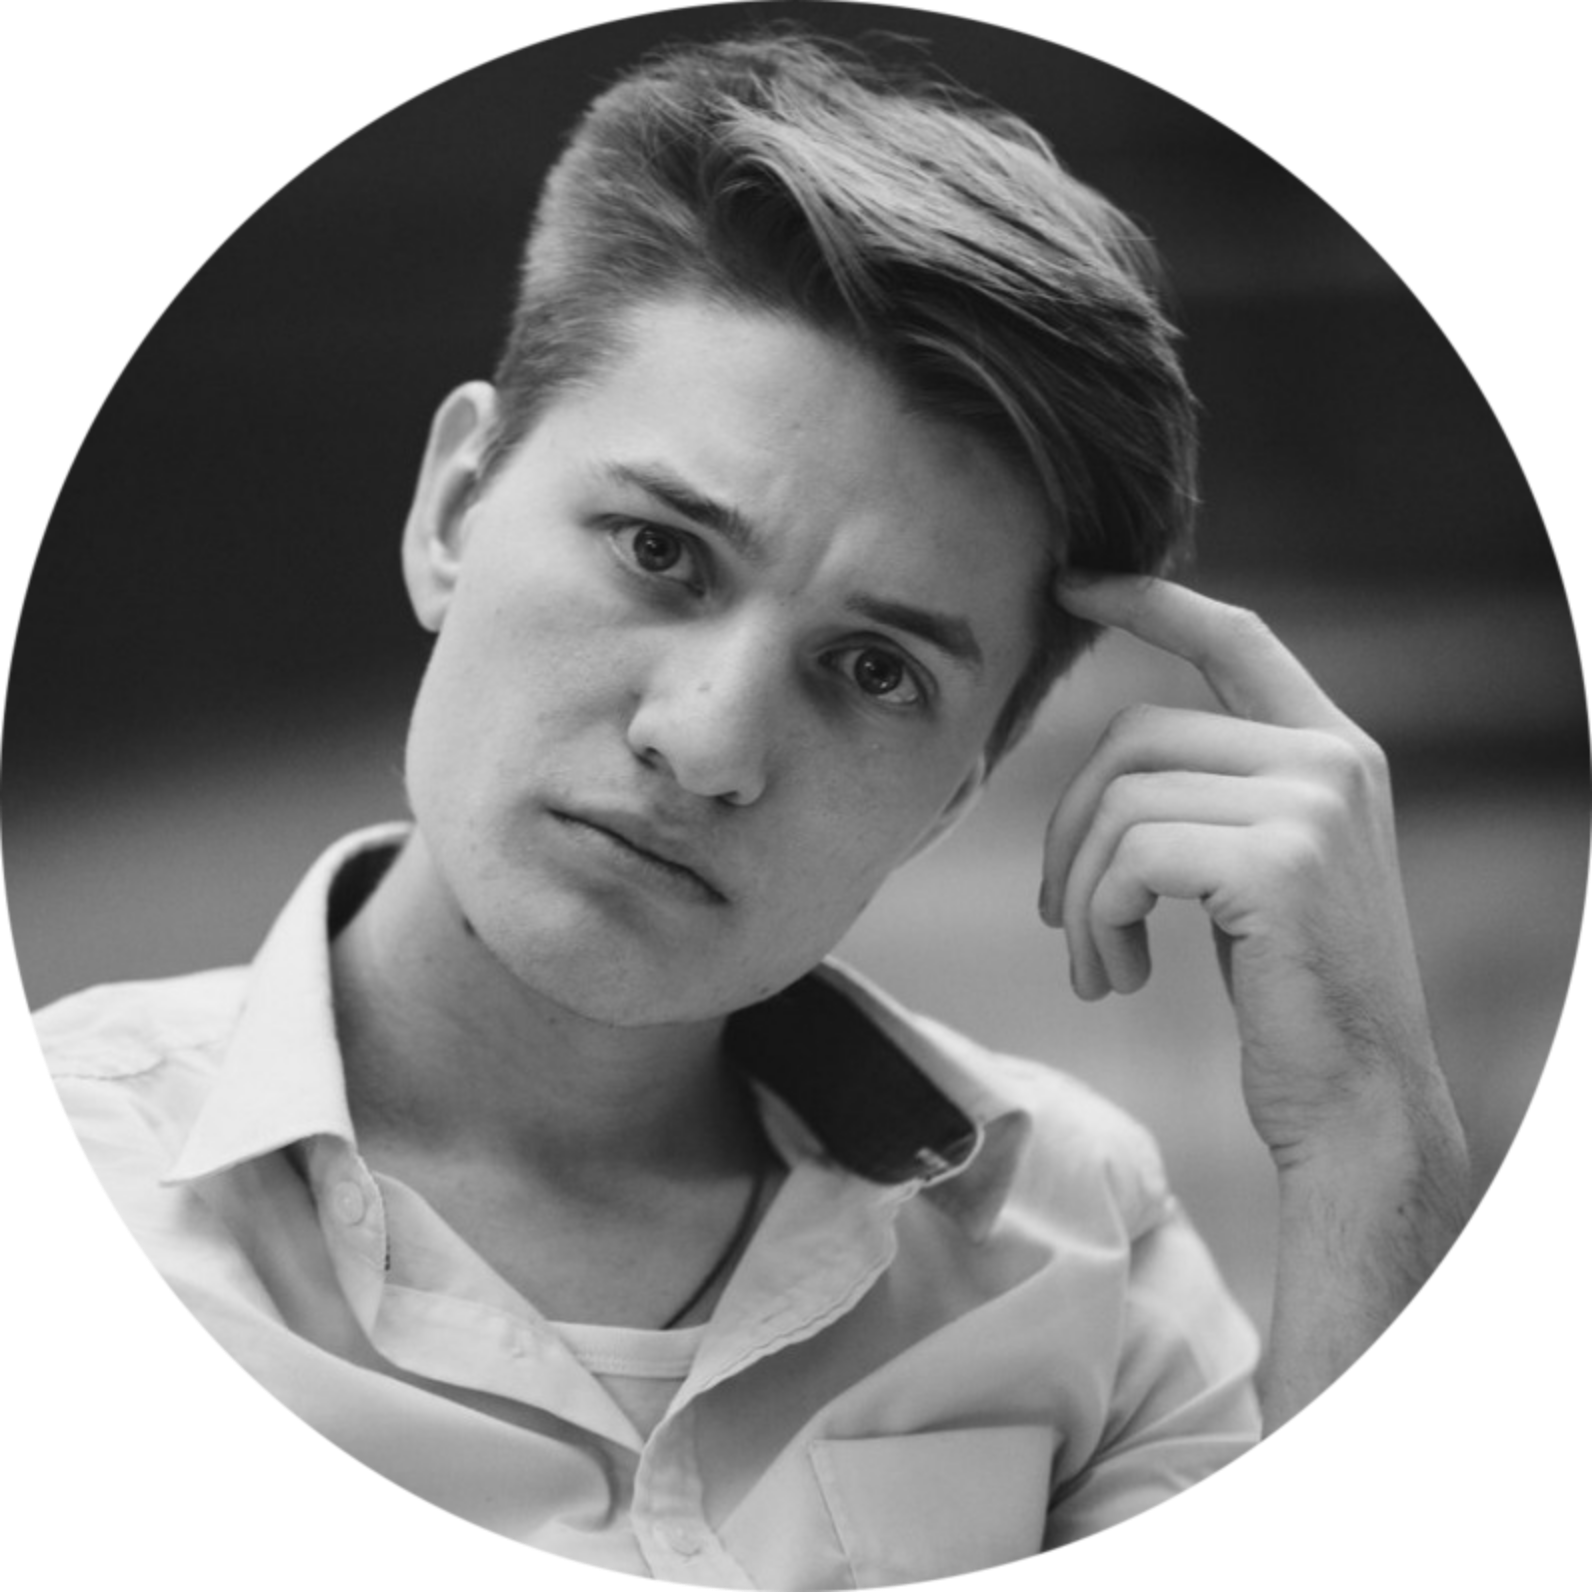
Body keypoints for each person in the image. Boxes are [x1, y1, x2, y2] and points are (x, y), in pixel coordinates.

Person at [39, 30, 1469, 1577]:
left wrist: (1371, 1132)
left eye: (872, 670)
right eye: (659, 552)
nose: (708, 742)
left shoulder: (1076, 1244)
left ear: (957, 793)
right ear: (453, 507)